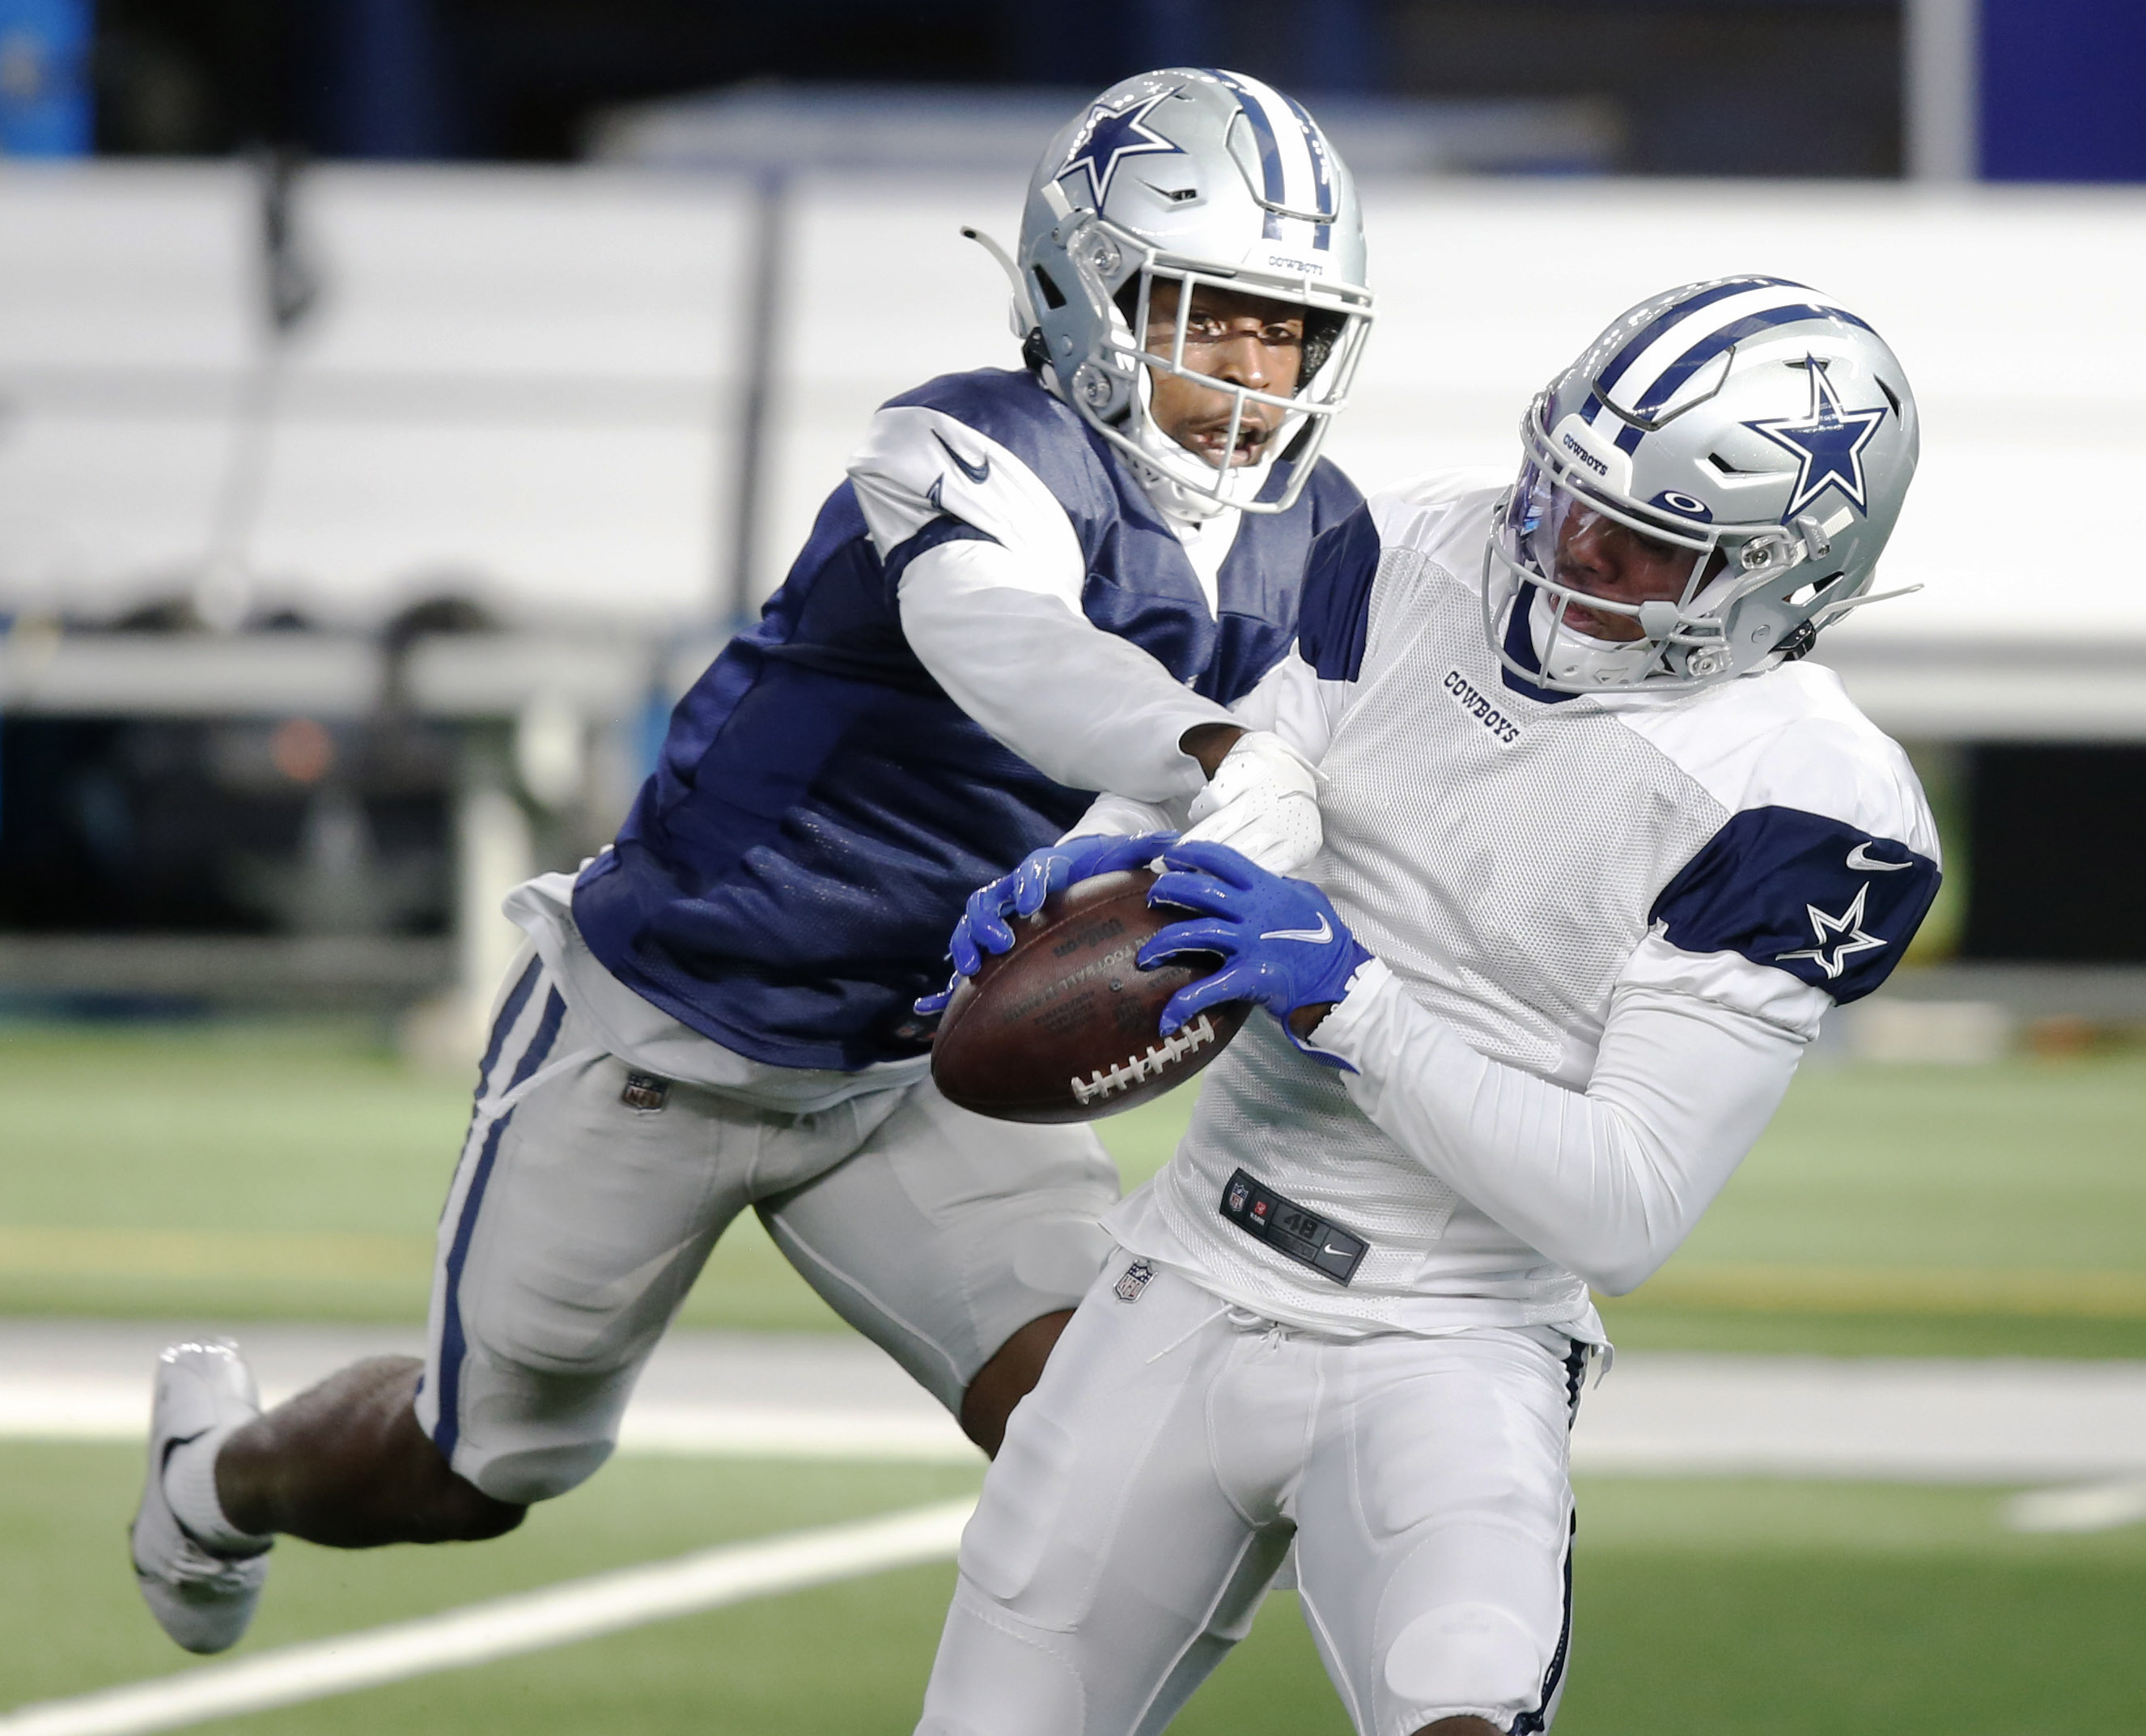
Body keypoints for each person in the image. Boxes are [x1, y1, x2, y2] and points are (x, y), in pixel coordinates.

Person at [129, 67, 1374, 1655]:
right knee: (478, 1464)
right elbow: (1007, 642)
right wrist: (1214, 758)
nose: (1254, 374)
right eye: (1214, 316)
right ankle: (214, 1475)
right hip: (671, 1031)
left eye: (1289, 331)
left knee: (1122, 1443)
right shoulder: (965, 440)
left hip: (929, 1064)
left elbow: (1334, 750)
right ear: (1092, 289)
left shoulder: (1318, 531)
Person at [914, 277, 1942, 1736]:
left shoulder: (1803, 793)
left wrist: (1353, 1000)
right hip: (1194, 1263)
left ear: (1787, 576)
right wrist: (1103, 861)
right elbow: (1261, 781)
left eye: (1646, 545)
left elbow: (1626, 1208)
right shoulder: (1416, 541)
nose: (1571, 549)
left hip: (1454, 1333)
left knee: (1456, 1710)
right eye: (1567, 493)